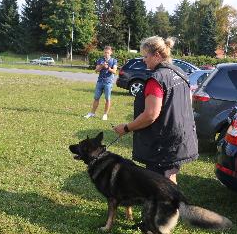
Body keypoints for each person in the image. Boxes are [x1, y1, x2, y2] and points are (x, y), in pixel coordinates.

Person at [112, 36, 198, 184]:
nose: (143, 60)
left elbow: (150, 115)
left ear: (157, 55)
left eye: (145, 56)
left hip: (163, 144)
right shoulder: (180, 72)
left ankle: (167, 207)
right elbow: (188, 101)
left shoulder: (156, 79)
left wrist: (126, 128)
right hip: (181, 137)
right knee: (170, 178)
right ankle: (174, 207)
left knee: (160, 186)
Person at [84, 46, 117, 121]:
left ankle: (105, 114)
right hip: (100, 82)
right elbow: (96, 70)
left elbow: (114, 71)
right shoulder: (100, 60)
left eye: (108, 52)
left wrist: (108, 68)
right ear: (103, 52)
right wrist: (102, 66)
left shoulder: (114, 61)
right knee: (96, 98)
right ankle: (92, 113)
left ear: (111, 53)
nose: (106, 54)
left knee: (107, 99)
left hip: (108, 82)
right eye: (105, 52)